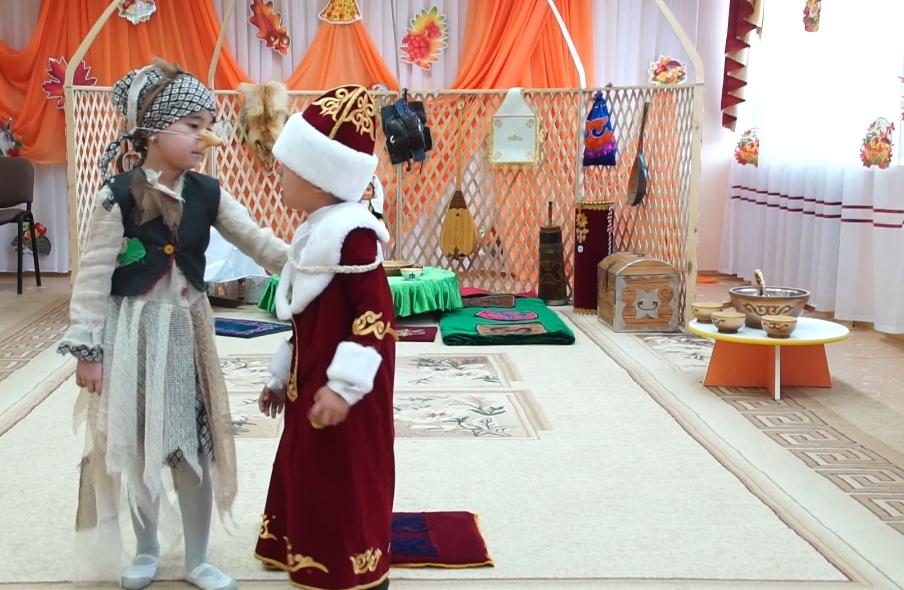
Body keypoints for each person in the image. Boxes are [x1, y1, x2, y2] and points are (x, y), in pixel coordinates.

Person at [58, 60, 288, 590]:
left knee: (194, 447)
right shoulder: (115, 196)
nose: (207, 137)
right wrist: (88, 351)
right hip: (133, 333)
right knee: (140, 445)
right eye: (193, 125)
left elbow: (258, 240)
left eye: (210, 124)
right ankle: (146, 552)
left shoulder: (210, 193)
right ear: (154, 131)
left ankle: (198, 558)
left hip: (188, 334)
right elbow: (92, 277)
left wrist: (308, 263)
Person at [255, 85, 396, 590]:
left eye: (288, 168)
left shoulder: (352, 236)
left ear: (319, 179)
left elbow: (375, 319)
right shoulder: (317, 229)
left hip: (343, 393)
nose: (279, 175)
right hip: (310, 381)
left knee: (341, 472)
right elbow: (307, 317)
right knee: (306, 464)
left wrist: (344, 386)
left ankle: (349, 562)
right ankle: (300, 546)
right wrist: (280, 376)